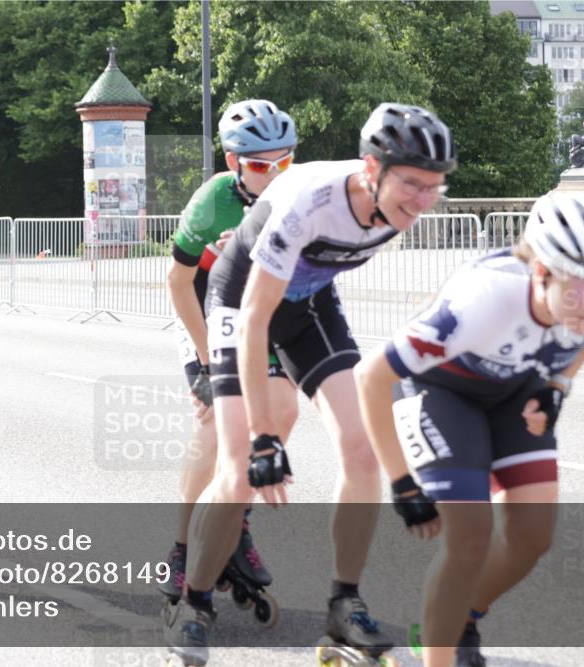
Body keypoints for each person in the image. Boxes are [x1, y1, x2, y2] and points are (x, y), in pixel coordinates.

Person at [164, 103, 457, 667]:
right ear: (372, 169)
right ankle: (193, 603)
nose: (423, 201)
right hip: (241, 300)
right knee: (239, 467)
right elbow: (253, 319)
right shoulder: (310, 202)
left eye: (434, 188)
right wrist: (265, 438)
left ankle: (344, 603)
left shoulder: (396, 208)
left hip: (309, 303)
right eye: (413, 185)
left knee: (362, 449)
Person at [353, 191, 584, 667]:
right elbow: (371, 376)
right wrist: (401, 483)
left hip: (514, 392)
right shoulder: (482, 299)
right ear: (541, 273)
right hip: (441, 393)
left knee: (533, 538)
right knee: (469, 539)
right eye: (581, 293)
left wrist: (556, 386)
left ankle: (460, 621)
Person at [160, 99, 300, 608]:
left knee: (284, 408)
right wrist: (204, 361)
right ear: (232, 163)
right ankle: (180, 547)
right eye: (262, 165)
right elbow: (177, 282)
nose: (275, 173)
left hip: (256, 311)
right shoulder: (211, 201)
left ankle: (234, 519)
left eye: (284, 161)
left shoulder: (295, 197)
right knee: (216, 420)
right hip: (201, 307)